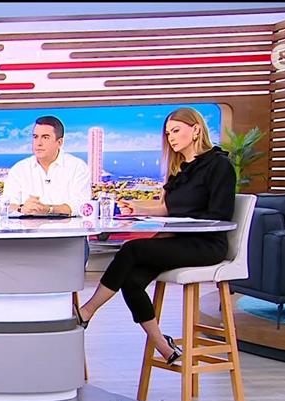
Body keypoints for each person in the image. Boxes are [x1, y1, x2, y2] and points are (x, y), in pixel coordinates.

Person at [75, 107, 236, 364]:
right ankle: (163, 345)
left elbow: (219, 216)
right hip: (178, 241)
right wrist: (136, 209)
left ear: (196, 130)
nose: (171, 138)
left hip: (206, 244)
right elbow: (166, 208)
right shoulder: (178, 168)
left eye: (176, 131)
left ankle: (87, 311)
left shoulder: (219, 165)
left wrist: (177, 224)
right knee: (132, 281)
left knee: (131, 249)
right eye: (168, 133)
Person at [2, 115, 91, 217]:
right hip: (28, 227)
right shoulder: (19, 169)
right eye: (35, 137)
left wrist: (48, 209)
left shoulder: (77, 167)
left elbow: (82, 206)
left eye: (45, 137)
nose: (38, 143)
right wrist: (22, 208)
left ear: (59, 142)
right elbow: (6, 206)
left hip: (67, 227)